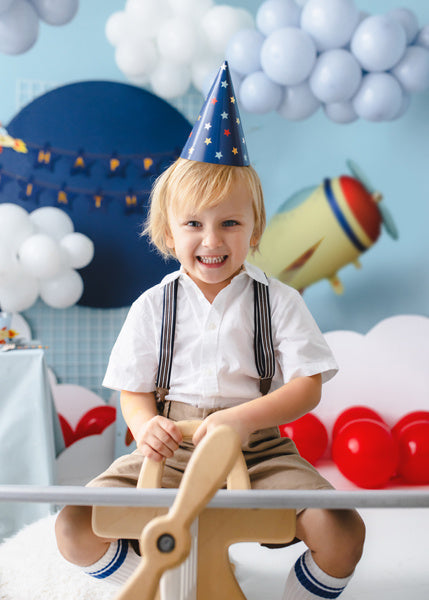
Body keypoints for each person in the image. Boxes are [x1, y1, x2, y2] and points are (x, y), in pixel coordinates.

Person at [55, 62, 365, 600]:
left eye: (230, 223)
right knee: (73, 525)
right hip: (171, 447)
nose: (211, 239)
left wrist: (244, 420)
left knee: (342, 530)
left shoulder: (278, 301)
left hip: (259, 448)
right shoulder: (155, 306)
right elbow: (133, 389)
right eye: (194, 223)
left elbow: (307, 387)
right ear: (169, 232)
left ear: (255, 229)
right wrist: (146, 422)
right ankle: (154, 583)